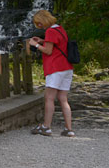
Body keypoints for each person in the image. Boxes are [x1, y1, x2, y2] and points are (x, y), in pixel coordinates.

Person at [27, 9, 75, 137]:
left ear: (43, 21)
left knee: (49, 98)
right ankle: (69, 129)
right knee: (63, 99)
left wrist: (35, 45)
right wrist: (42, 41)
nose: (39, 26)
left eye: (39, 24)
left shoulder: (50, 31)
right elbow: (57, 44)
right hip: (67, 68)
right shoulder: (60, 29)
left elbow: (48, 51)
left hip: (55, 68)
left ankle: (46, 127)